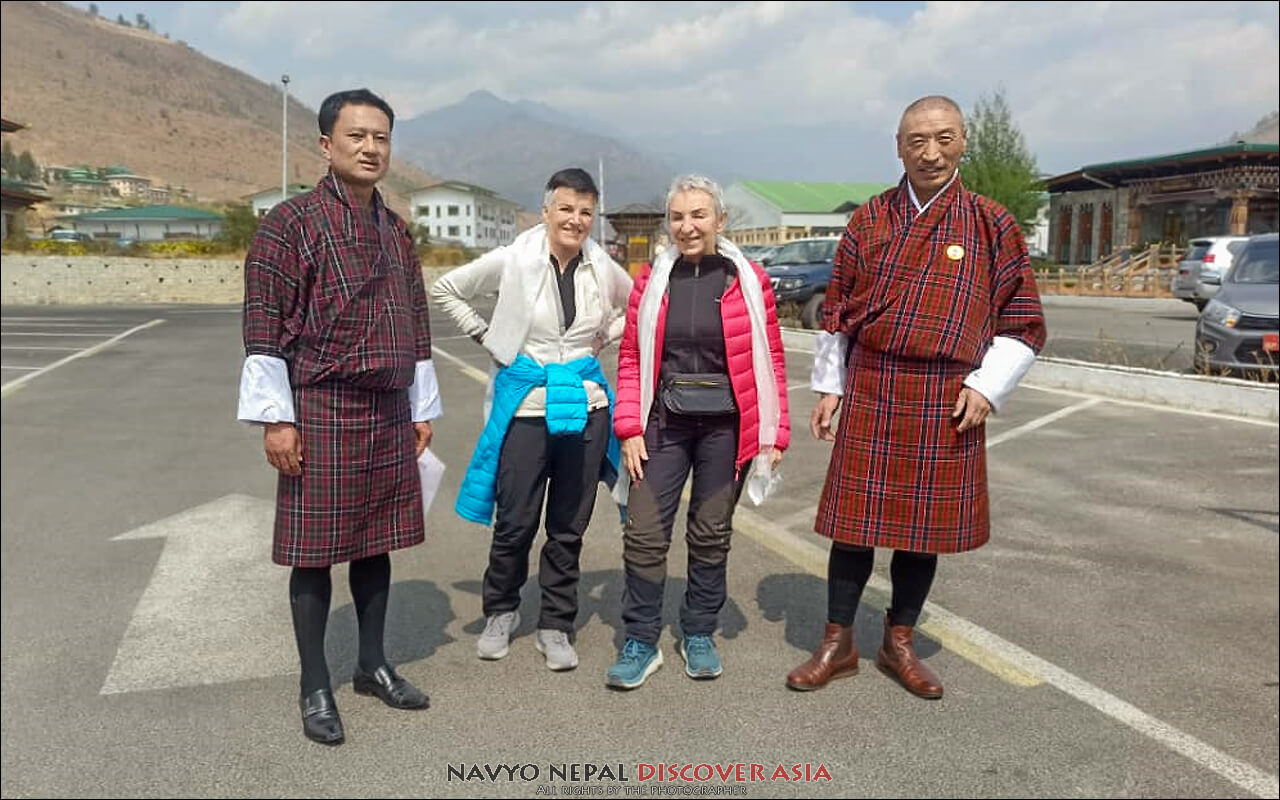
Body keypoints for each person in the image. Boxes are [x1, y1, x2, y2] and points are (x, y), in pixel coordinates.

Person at [785, 95, 1047, 699]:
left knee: (920, 529)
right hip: (875, 383)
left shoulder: (991, 223)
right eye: (917, 141)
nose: (931, 152)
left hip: (947, 391)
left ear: (963, 142)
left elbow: (1023, 317)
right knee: (854, 526)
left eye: (944, 138)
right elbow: (840, 309)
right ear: (898, 147)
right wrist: (830, 386)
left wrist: (988, 384)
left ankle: (897, 642)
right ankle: (837, 642)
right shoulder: (870, 219)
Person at [238, 88, 440, 746]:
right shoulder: (289, 224)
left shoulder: (394, 228)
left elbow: (415, 318)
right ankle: (314, 683)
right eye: (356, 136)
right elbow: (264, 325)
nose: (370, 147)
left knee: (375, 541)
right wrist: (277, 418)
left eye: (380, 137)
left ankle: (373, 664)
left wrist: (420, 403)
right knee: (314, 553)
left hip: (387, 405)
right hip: (320, 404)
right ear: (326, 146)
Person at [431, 168, 632, 672]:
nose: (576, 220)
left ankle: (557, 625)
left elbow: (640, 305)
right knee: (515, 521)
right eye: (566, 209)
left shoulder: (602, 266)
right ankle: (501, 611)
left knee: (568, 526)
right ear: (546, 212)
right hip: (525, 407)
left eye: (586, 212)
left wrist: (605, 334)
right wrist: (488, 337)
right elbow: (446, 289)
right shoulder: (513, 259)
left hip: (586, 408)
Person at [609, 174, 790, 689]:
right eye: (678, 217)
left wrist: (775, 435)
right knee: (643, 533)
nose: (687, 227)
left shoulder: (748, 280)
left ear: (720, 221)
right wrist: (628, 427)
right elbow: (630, 357)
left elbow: (770, 360)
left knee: (710, 534)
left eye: (698, 215)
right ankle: (641, 639)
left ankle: (698, 631)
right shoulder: (652, 279)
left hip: (727, 430)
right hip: (662, 423)